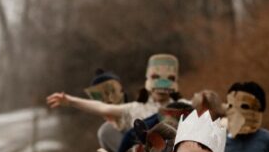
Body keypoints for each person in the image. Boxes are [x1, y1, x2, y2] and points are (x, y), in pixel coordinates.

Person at [46, 54, 180, 137]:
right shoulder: (136, 108)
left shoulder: (186, 108)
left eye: (169, 78)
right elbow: (102, 108)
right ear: (148, 79)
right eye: (156, 76)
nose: (162, 83)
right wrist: (71, 101)